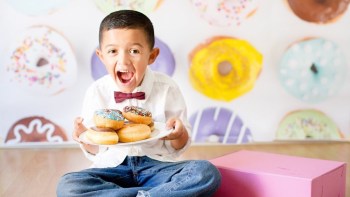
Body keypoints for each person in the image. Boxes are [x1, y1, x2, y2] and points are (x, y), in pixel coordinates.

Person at [56, 9, 221, 197]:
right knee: (68, 185)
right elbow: (97, 149)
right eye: (112, 51)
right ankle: (153, 194)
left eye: (134, 51)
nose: (123, 60)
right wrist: (84, 138)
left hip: (157, 167)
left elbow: (178, 147)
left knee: (205, 172)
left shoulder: (167, 88)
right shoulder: (97, 91)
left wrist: (179, 133)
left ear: (151, 56)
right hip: (112, 169)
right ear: (101, 56)